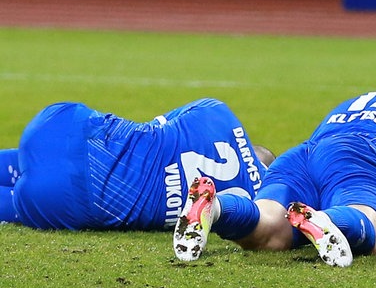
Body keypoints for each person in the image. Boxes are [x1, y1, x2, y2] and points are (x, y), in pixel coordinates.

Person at [173, 91, 376, 267]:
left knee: (270, 230)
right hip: (361, 157)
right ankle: (330, 220)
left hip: (303, 154)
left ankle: (217, 208)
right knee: (375, 233)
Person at [0, 98, 275, 230]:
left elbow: (155, 126)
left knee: (29, 158)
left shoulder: (216, 112)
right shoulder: (251, 206)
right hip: (65, 199)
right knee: (18, 199)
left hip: (56, 127)